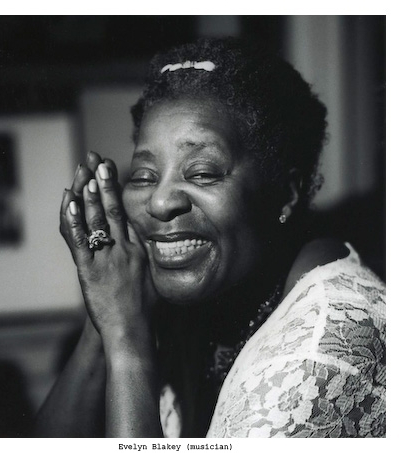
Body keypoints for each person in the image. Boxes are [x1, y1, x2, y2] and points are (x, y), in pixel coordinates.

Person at [34, 38, 386, 438]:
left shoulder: (321, 353)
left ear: (285, 194)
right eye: (144, 176)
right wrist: (105, 319)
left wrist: (125, 339)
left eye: (202, 173)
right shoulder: (206, 297)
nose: (160, 201)